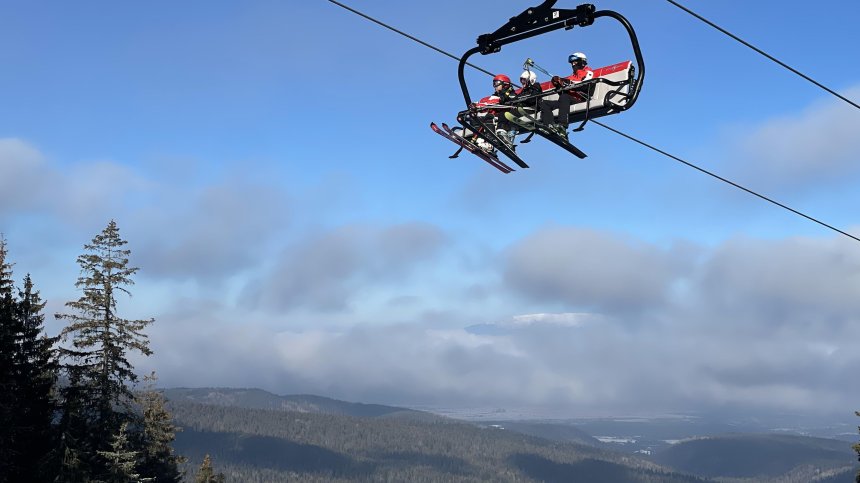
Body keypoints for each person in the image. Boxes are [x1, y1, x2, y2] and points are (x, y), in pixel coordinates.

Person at [539, 52, 594, 140]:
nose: (573, 65)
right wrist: (558, 84)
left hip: (580, 98)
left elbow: (585, 85)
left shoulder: (588, 71)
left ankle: (562, 127)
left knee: (564, 97)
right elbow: (563, 92)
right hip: (568, 100)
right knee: (544, 103)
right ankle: (550, 126)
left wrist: (567, 82)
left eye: (575, 62)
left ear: (582, 62)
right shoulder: (572, 76)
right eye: (572, 63)